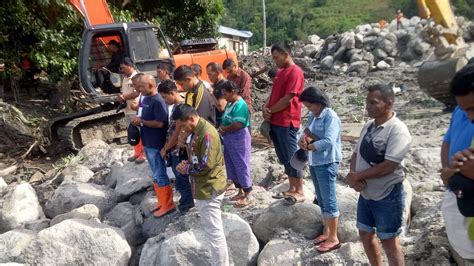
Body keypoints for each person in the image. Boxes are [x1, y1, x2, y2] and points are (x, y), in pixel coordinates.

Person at [346, 84, 411, 266]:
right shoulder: (368, 126)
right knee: (365, 234)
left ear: (388, 103)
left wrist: (358, 177)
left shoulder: (398, 130)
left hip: (387, 194)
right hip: (366, 193)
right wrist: (353, 176)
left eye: (373, 103)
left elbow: (388, 166)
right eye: (367, 102)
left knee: (390, 242)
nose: (368, 106)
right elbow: (356, 153)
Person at [174, 104, 229, 266]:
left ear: (191, 118)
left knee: (214, 234)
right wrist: (189, 162)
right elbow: (200, 158)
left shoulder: (207, 134)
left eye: (183, 125)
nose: (183, 129)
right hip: (205, 185)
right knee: (214, 231)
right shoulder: (198, 129)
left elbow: (206, 165)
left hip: (209, 187)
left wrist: (186, 168)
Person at [298, 86, 342, 253]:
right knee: (322, 198)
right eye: (307, 107)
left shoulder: (330, 116)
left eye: (310, 106)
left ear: (318, 102)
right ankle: (326, 232)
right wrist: (303, 141)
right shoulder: (313, 116)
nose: (309, 109)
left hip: (327, 161)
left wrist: (311, 146)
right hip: (315, 161)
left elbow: (329, 140)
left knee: (329, 198)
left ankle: (334, 238)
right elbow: (307, 131)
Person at [440, 65, 474, 265]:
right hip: (461, 192)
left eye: (472, 108)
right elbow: (447, 141)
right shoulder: (460, 112)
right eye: (464, 109)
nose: (469, 117)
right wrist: (448, 173)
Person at [263, 43, 305, 202]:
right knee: (283, 156)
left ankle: (299, 189)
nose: (275, 61)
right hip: (276, 121)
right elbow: (273, 94)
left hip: (288, 121)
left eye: (276, 57)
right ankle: (291, 187)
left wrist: (271, 110)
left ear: (286, 53)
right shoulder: (280, 72)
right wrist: (265, 107)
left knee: (292, 156)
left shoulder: (295, 72)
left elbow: (289, 98)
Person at [131, 74, 175, 218]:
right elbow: (143, 112)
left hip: (156, 142)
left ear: (150, 85)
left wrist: (142, 122)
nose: (138, 89)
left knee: (159, 172)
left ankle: (168, 204)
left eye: (141, 86)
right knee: (155, 173)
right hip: (148, 142)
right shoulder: (146, 98)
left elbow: (161, 123)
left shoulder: (158, 100)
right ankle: (161, 201)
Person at [158, 80, 194, 212]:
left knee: (181, 177)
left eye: (164, 96)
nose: (164, 100)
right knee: (179, 176)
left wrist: (166, 148)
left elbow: (177, 132)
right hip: (174, 148)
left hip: (178, 148)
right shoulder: (175, 106)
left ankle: (186, 204)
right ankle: (186, 201)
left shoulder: (181, 108)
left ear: (172, 93)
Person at [218, 81, 253, 208]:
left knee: (241, 163)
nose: (224, 97)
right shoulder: (230, 103)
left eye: (225, 94)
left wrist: (224, 129)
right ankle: (240, 190)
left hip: (238, 137)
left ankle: (248, 193)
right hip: (228, 138)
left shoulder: (240, 105)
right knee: (231, 163)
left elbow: (238, 123)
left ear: (233, 92)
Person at [118, 58, 145, 164]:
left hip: (136, 109)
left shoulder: (137, 77)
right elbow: (124, 91)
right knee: (132, 133)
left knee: (141, 132)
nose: (121, 70)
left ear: (130, 66)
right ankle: (137, 152)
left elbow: (137, 93)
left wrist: (124, 97)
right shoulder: (125, 78)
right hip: (128, 109)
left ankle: (143, 154)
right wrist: (120, 96)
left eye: (123, 68)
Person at [206, 62, 227, 127]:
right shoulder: (215, 84)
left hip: (222, 122)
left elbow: (221, 107)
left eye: (210, 74)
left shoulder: (224, 85)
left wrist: (211, 94)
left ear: (218, 73)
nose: (208, 77)